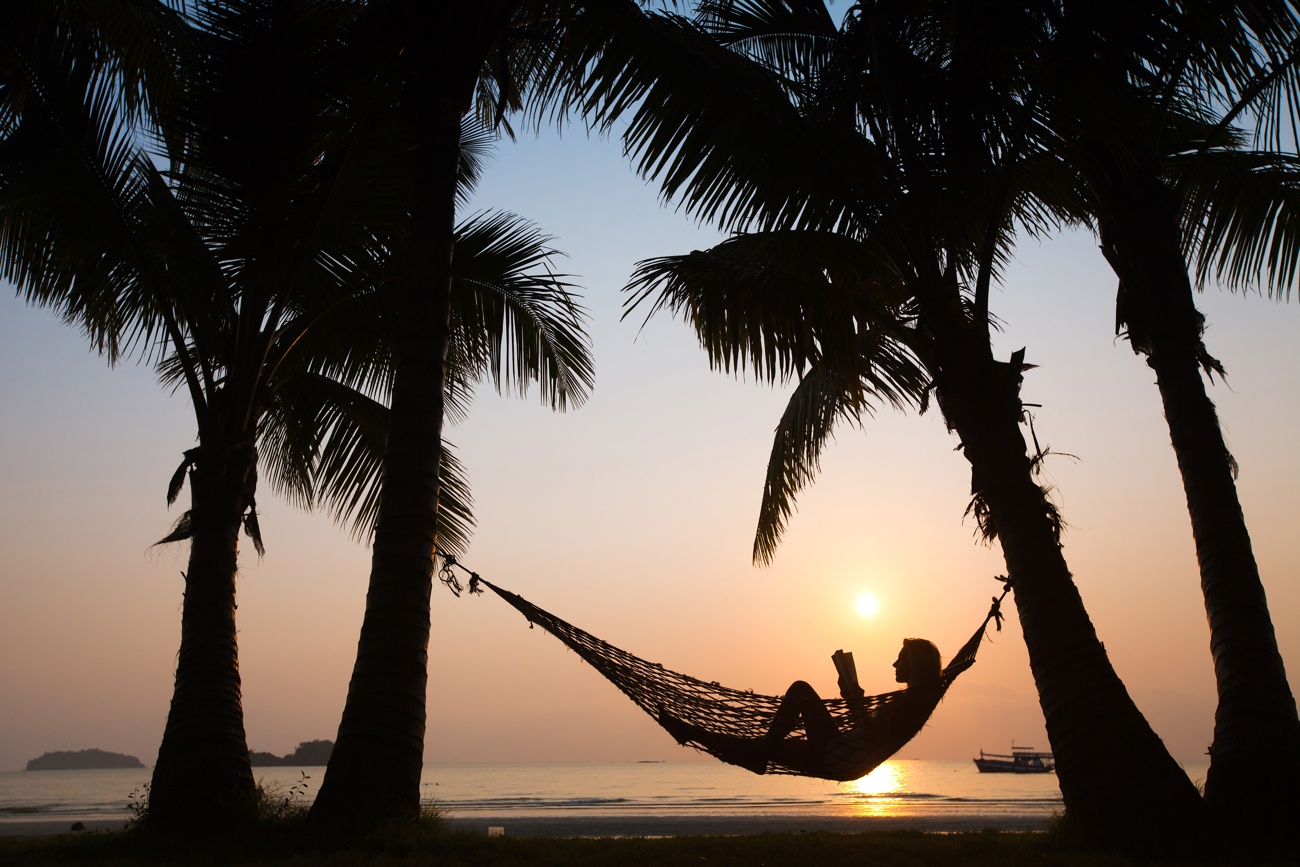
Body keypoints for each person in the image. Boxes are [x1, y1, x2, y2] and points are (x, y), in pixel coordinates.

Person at [659, 638, 943, 781]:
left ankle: (703, 735)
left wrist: (855, 701)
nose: (894, 665)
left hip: (839, 754)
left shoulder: (909, 704)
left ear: (916, 665)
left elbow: (877, 738)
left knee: (800, 690)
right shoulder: (912, 701)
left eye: (901, 659)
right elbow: (875, 734)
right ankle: (687, 731)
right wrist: (853, 698)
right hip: (841, 755)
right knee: (756, 747)